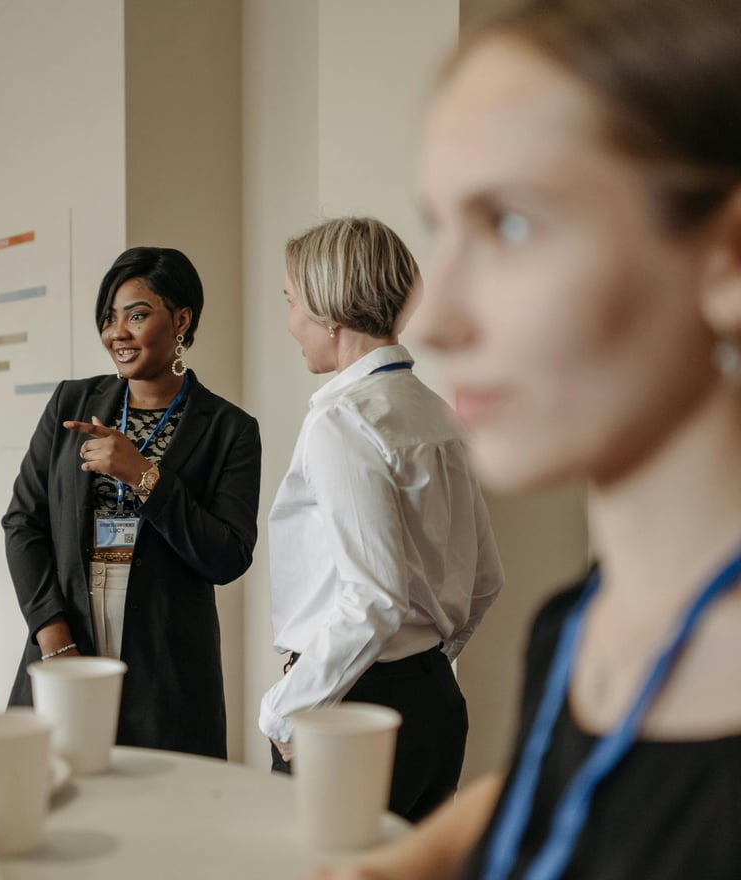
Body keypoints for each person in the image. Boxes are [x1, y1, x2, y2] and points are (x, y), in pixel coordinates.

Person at [308, 0, 741, 877]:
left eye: (510, 224)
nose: (435, 319)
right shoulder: (576, 629)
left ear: (726, 258)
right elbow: (559, 800)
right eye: (443, 228)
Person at [258, 216, 504, 822]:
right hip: (434, 706)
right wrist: (425, 668)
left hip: (345, 709)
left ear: (329, 311)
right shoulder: (440, 414)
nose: (290, 322)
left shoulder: (343, 420)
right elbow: (486, 579)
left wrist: (282, 708)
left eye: (292, 303)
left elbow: (375, 596)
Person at [4, 246, 261, 759]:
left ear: (182, 319)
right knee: (56, 806)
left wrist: (144, 476)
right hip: (67, 632)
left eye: (137, 315)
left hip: (168, 664)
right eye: (109, 318)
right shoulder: (71, 403)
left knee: (160, 816)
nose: (117, 333)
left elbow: (228, 556)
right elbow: (23, 523)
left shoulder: (230, 429)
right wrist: (54, 639)